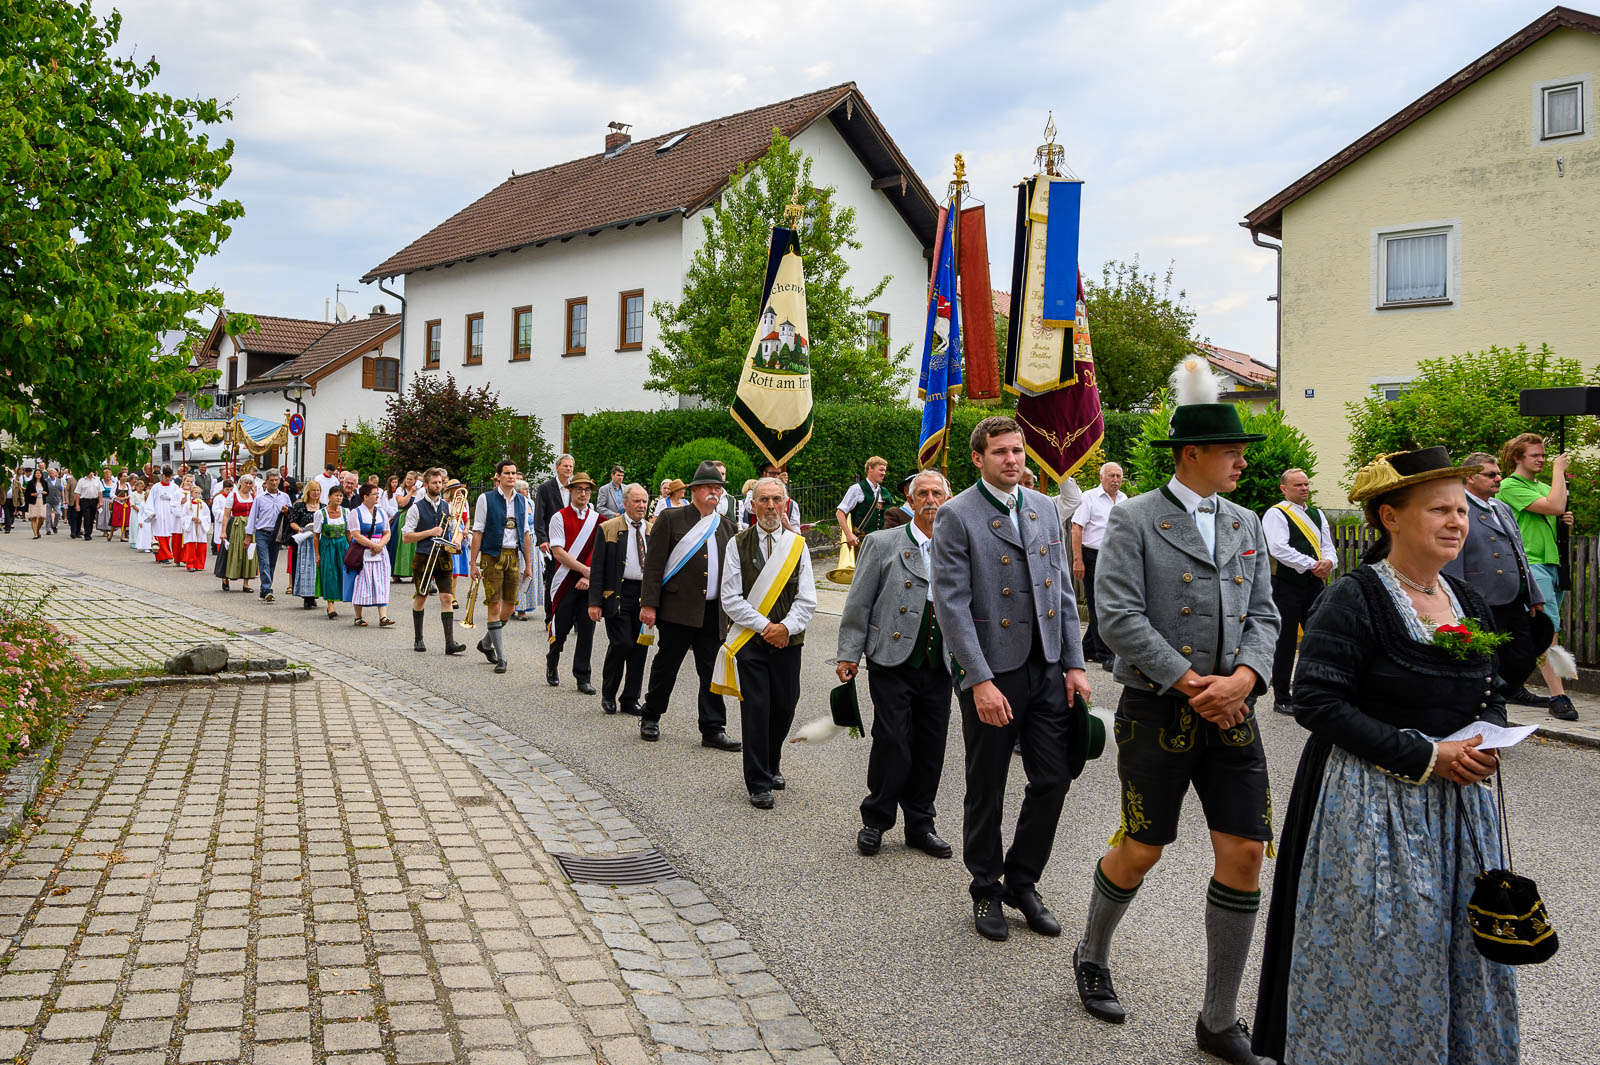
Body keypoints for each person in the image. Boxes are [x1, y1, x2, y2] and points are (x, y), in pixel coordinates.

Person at [1252, 447, 1517, 1065]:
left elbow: (1491, 690)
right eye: (1439, 510)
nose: (1456, 522)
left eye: (1460, 510)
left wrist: (1488, 741)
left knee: (1459, 947)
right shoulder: (1354, 597)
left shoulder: (1467, 601)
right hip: (1371, 804)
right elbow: (1317, 702)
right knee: (1387, 947)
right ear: (1390, 516)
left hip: (1458, 809)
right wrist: (1426, 756)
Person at [1072, 360, 1278, 1065]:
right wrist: (1197, 683)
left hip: (1234, 709)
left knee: (1246, 852)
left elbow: (1264, 614)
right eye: (1230, 450)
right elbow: (1119, 616)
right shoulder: (1134, 517)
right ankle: (1092, 950)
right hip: (1161, 707)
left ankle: (1219, 1018)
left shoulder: (1246, 520)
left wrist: (1245, 678)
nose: (1241, 461)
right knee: (1143, 848)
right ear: (1192, 453)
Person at [931, 416, 1091, 942]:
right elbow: (950, 604)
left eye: (1018, 451)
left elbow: (1062, 592)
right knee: (987, 783)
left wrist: (1074, 664)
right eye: (1000, 452)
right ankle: (985, 887)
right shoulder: (957, 514)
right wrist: (978, 680)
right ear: (978, 458)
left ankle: (1023, 881)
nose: (1012, 460)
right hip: (992, 669)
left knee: (1054, 776)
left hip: (1045, 664)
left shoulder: (1043, 506)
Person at [837, 470, 954, 855]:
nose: (931, 500)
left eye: (938, 492)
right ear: (910, 498)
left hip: (940, 661)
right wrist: (848, 654)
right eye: (923, 493)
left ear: (948, 498)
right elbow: (859, 602)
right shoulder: (882, 542)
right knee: (893, 740)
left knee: (931, 745)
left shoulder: (959, 546)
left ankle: (920, 824)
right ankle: (876, 819)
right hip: (891, 657)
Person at [716, 477, 817, 808]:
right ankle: (758, 781)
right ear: (753, 505)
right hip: (751, 640)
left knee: (785, 705)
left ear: (785, 504)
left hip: (789, 640)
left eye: (776, 500)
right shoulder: (737, 543)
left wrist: (785, 628)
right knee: (756, 709)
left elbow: (807, 598)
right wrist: (765, 627)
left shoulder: (797, 545)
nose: (771, 506)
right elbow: (730, 598)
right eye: (763, 500)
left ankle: (772, 761)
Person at [638, 461, 742, 751]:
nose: (714, 492)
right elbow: (655, 564)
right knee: (666, 665)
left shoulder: (726, 526)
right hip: (677, 608)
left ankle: (713, 728)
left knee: (711, 671)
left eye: (718, 488)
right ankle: (651, 716)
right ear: (694, 490)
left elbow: (732, 573)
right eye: (709, 487)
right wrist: (649, 604)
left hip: (712, 612)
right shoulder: (672, 519)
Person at [1443, 451, 1551, 708]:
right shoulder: (1459, 509)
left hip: (1512, 596)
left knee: (1524, 656)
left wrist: (1533, 594)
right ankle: (1486, 707)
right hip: (1481, 598)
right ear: (1469, 477)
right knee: (1487, 659)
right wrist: (1458, 601)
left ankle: (1501, 694)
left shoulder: (1501, 507)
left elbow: (1519, 553)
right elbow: (1453, 558)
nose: (1498, 478)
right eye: (1490, 475)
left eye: (1498, 473)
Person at [1497, 432, 1578, 721]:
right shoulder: (1509, 485)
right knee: (1548, 629)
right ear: (1518, 458)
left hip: (1552, 562)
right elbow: (1555, 506)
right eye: (1536, 455)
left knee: (1530, 631)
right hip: (1530, 563)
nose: (1542, 460)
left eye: (1544, 456)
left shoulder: (1544, 487)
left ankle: (1511, 683)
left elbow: (1552, 515)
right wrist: (1559, 471)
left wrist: (1563, 522)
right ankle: (1559, 696)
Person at [1261, 467, 1336, 715]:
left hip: (1314, 583)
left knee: (1318, 637)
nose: (1304, 489)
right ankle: (1282, 695)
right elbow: (1278, 548)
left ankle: (1313, 689)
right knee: (1286, 639)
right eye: (1298, 485)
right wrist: (1312, 564)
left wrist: (1329, 562)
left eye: (1306, 484)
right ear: (1284, 489)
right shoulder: (1277, 514)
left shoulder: (1317, 514)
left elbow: (1328, 545)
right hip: (1287, 585)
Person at [589, 483, 652, 715]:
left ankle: (630, 698)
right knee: (622, 643)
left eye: (644, 501)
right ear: (625, 503)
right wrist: (594, 602)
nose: (641, 506)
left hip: (642, 596)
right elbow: (597, 568)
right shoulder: (609, 528)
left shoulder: (651, 530)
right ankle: (608, 694)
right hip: (617, 594)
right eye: (637, 501)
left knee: (639, 648)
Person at [469, 460, 535, 674]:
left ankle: (486, 643)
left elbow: (525, 533)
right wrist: (473, 562)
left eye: (514, 473)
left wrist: (529, 563)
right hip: (492, 555)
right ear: (498, 476)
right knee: (494, 606)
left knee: (510, 606)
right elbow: (477, 531)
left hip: (513, 555)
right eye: (507, 473)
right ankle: (501, 657)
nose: (511, 477)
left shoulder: (522, 502)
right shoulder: (485, 499)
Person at [402, 469, 467, 655]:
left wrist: (457, 541)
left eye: (440, 483)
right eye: (434, 483)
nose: (438, 486)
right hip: (424, 556)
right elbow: (406, 537)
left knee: (447, 597)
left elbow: (456, 530)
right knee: (421, 596)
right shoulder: (416, 507)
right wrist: (430, 532)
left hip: (444, 556)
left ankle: (449, 643)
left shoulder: (447, 507)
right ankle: (418, 638)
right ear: (426, 485)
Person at [546, 471, 600, 690]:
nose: (583, 494)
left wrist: (589, 576)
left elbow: (599, 552)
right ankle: (552, 662)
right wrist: (584, 571)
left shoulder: (598, 520)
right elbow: (558, 552)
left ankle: (583, 676)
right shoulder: (559, 517)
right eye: (579, 489)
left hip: (588, 583)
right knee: (561, 628)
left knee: (587, 631)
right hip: (565, 582)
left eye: (587, 490)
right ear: (571, 491)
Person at [1071, 462, 1126, 666]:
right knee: (1098, 606)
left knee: (1108, 603)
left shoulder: (1123, 499)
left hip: (1114, 557)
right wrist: (1078, 560)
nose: (1116, 480)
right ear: (1101, 477)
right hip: (1092, 556)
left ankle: (1086, 650)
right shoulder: (1089, 498)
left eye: (1119, 476)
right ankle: (1106, 655)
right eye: (1111, 476)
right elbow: (1076, 528)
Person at [346, 482, 393, 627]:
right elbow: (356, 534)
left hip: (380, 550)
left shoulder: (380, 512)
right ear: (365, 497)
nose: (377, 497)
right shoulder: (356, 512)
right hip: (363, 550)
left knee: (381, 580)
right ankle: (358, 617)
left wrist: (380, 545)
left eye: (377, 494)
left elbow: (387, 532)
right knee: (361, 581)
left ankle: (383, 617)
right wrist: (373, 545)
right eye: (374, 494)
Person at [535, 454, 576, 617]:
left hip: (573, 540)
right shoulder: (546, 488)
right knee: (553, 578)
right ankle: (550, 616)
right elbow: (539, 516)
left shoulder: (575, 488)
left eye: (571, 466)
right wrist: (542, 540)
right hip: (553, 541)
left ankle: (572, 617)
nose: (568, 469)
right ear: (557, 467)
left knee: (573, 577)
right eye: (565, 466)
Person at [249, 470, 292, 603]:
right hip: (262, 533)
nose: (274, 483)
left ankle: (264, 589)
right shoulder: (260, 498)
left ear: (279, 481)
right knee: (264, 561)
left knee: (272, 563)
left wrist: (287, 512)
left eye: (276, 480)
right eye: (271, 480)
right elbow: (252, 517)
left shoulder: (284, 497)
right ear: (266, 482)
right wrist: (248, 534)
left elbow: (291, 516)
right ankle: (268, 589)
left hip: (277, 533)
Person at [835, 456, 898, 547]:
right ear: (870, 469)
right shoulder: (857, 489)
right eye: (881, 470)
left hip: (882, 542)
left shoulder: (884, 492)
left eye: (884, 470)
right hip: (862, 543)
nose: (883, 473)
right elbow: (839, 513)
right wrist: (849, 535)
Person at [315, 485, 350, 619]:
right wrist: (317, 554)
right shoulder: (321, 513)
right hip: (328, 546)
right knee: (329, 574)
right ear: (329, 497)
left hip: (342, 546)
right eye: (336, 495)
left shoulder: (346, 512)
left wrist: (352, 550)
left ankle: (349, 598)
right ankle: (330, 606)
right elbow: (316, 536)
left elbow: (348, 533)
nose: (339, 498)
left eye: (341, 496)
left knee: (344, 573)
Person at [219, 474, 258, 593]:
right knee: (233, 551)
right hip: (236, 525)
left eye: (250, 483)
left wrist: (256, 496)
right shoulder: (233, 495)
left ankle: (246, 583)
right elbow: (226, 515)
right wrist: (223, 531)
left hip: (250, 526)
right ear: (241, 483)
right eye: (246, 482)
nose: (248, 485)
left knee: (248, 552)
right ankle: (226, 578)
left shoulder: (253, 496)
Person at [288, 481, 322, 609]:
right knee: (304, 568)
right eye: (313, 490)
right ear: (308, 491)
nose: (315, 493)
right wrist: (300, 529)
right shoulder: (300, 506)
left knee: (316, 568)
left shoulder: (323, 506)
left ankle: (314, 595)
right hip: (304, 540)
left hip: (317, 540)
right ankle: (306, 597)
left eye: (318, 490)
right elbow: (292, 521)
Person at [513, 478, 539, 621]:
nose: (528, 492)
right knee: (520, 574)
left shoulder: (531, 503)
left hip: (532, 540)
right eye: (525, 489)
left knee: (530, 574)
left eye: (528, 489)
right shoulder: (516, 504)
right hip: (521, 542)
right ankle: (518, 608)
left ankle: (525, 605)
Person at [149, 467, 184, 563]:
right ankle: (162, 556)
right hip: (159, 512)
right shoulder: (156, 487)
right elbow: (150, 500)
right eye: (166, 477)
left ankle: (166, 554)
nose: (167, 479)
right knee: (159, 534)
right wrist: (151, 512)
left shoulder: (174, 487)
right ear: (162, 476)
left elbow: (178, 498)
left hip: (170, 513)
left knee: (168, 534)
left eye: (169, 477)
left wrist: (171, 498)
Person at [391, 471, 418, 582]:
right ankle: (396, 573)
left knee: (414, 546)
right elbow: (402, 503)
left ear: (415, 480)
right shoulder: (400, 490)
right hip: (402, 518)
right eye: (407, 479)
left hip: (414, 519)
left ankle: (413, 573)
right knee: (397, 544)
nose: (408, 481)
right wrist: (411, 492)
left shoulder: (420, 492)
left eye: (411, 479)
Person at [179, 485, 212, 571]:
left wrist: (201, 520)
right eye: (195, 493)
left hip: (200, 527)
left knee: (200, 547)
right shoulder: (187, 505)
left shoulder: (203, 505)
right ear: (192, 494)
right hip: (191, 527)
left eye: (199, 493)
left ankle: (199, 564)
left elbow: (207, 517)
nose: (197, 495)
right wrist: (191, 518)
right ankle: (190, 564)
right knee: (191, 547)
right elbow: (183, 517)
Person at [74, 468, 103, 542]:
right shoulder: (81, 480)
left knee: (92, 517)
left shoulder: (97, 480)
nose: (91, 473)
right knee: (87, 517)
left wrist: (100, 502)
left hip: (94, 500)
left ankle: (89, 531)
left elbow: (100, 492)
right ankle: (87, 534)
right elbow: (77, 493)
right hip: (85, 500)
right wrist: (77, 504)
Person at [23, 466, 46, 539]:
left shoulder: (44, 482)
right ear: (34, 474)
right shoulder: (31, 483)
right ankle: (35, 534)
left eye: (39, 473)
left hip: (41, 501)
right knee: (34, 517)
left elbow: (47, 492)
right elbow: (27, 493)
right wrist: (32, 494)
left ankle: (38, 529)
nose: (38, 474)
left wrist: (45, 492)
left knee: (42, 517)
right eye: (37, 473)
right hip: (33, 502)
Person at [43, 467, 62, 535]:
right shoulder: (45, 481)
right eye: (50, 473)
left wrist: (64, 498)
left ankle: (55, 525)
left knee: (58, 513)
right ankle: (48, 529)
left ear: (55, 474)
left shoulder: (59, 481)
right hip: (48, 499)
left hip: (56, 499)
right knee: (48, 515)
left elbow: (61, 490)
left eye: (53, 473)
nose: (52, 474)